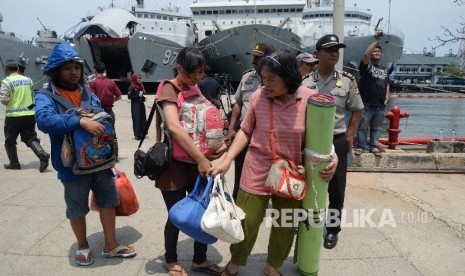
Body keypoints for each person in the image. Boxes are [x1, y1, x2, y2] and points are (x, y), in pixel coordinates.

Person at [210, 50, 338, 276]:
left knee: (285, 224)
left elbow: (323, 135)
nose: (265, 84)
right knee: (246, 221)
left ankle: (272, 266)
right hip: (257, 167)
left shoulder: (309, 98)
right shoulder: (259, 96)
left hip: (292, 172)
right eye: (264, 78)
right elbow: (245, 131)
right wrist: (226, 159)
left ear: (288, 77)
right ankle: (234, 263)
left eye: (271, 79)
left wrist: (332, 157)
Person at [34, 44, 136, 266]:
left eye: (76, 67)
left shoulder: (87, 92)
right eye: (67, 68)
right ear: (55, 71)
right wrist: (79, 120)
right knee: (77, 209)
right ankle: (82, 246)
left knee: (108, 202)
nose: (73, 72)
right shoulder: (45, 95)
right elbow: (43, 121)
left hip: (100, 161)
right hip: (71, 166)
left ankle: (111, 245)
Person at [155, 47, 227, 276]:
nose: (196, 78)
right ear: (178, 68)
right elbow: (174, 127)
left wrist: (218, 145)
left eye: (200, 73)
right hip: (174, 164)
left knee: (203, 212)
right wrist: (200, 158)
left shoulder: (195, 87)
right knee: (176, 215)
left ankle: (199, 259)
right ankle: (170, 260)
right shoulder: (168, 88)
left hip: (198, 162)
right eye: (191, 73)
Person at [308, 34, 364, 249]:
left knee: (337, 189)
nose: (334, 53)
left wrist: (349, 136)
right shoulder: (304, 82)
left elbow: (357, 109)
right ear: (317, 54)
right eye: (329, 49)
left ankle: (332, 230)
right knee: (308, 183)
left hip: (336, 139)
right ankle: (307, 222)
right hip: (310, 141)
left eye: (337, 49)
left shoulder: (347, 81)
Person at [225, 42, 275, 200]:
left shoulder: (278, 80)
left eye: (258, 58)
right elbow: (238, 103)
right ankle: (237, 197)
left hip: (266, 133)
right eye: (253, 58)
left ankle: (264, 198)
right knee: (240, 166)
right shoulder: (247, 77)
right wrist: (232, 128)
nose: (253, 61)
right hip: (244, 131)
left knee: (267, 168)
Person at [0, 59, 50, 172]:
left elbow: (4, 100)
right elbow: (31, 96)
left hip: (13, 116)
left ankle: (14, 163)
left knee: (10, 141)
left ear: (6, 68)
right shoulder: (28, 80)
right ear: (17, 69)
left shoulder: (6, 82)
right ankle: (42, 154)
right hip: (28, 114)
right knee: (30, 138)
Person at [354, 30, 390, 156]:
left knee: (376, 128)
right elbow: (365, 55)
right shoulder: (367, 66)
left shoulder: (385, 69)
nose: (376, 52)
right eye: (375, 51)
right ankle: (361, 147)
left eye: (379, 51)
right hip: (367, 104)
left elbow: (387, 84)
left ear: (382, 54)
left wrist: (386, 97)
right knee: (363, 127)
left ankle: (374, 147)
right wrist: (376, 41)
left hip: (380, 105)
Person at [127, 72, 147, 140]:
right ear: (135, 78)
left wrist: (143, 98)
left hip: (141, 104)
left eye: (140, 78)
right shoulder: (131, 87)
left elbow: (141, 95)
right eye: (138, 78)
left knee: (142, 119)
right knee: (137, 119)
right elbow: (129, 97)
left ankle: (142, 133)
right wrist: (138, 96)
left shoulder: (140, 86)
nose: (140, 79)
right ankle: (137, 135)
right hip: (135, 105)